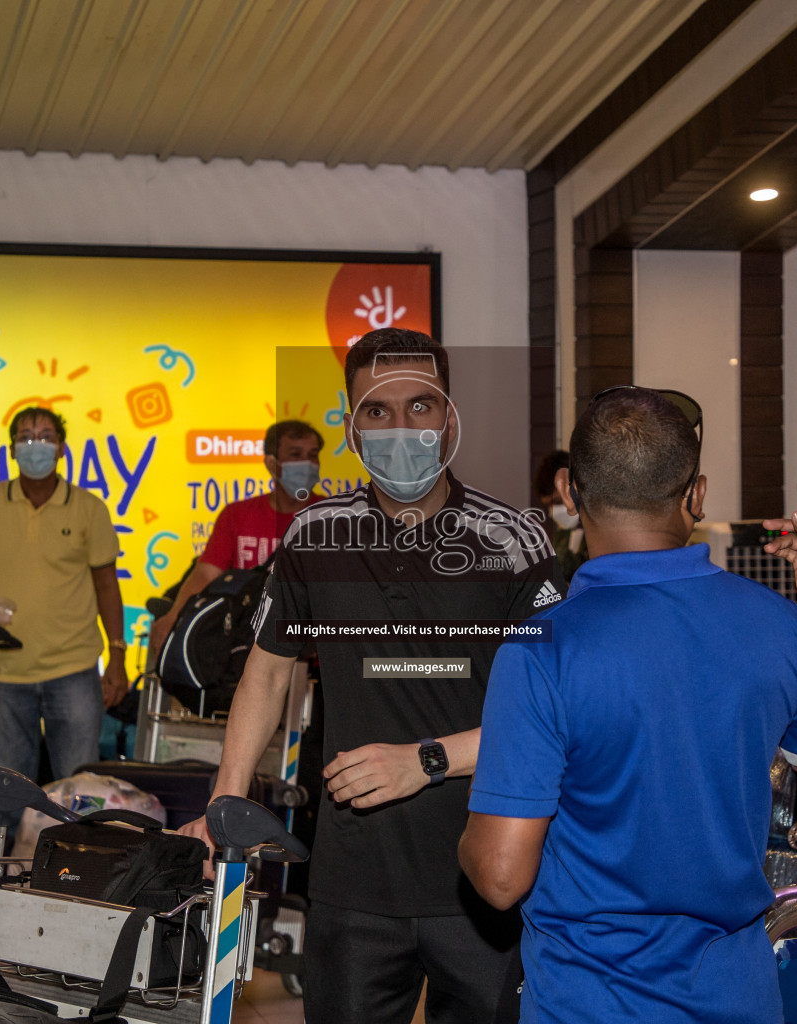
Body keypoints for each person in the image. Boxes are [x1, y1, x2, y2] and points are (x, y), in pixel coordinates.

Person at [458, 387, 797, 1024]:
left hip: (588, 1004)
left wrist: (465, 825)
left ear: (570, 492)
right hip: (737, 998)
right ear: (697, 494)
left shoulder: (542, 646)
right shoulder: (776, 625)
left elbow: (498, 876)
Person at [180, 328, 561, 1024]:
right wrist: (224, 803)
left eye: (420, 406)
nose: (401, 428)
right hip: (352, 880)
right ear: (351, 423)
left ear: (448, 415)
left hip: (488, 872)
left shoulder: (513, 538)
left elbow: (556, 707)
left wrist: (428, 761)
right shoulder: (313, 537)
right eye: (377, 412)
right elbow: (266, 676)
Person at [0, 407, 130, 782]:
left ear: (62, 449)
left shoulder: (89, 509)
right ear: (12, 450)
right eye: (26, 437)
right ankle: (8, 846)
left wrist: (117, 654)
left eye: (46, 437)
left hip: (74, 670)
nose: (36, 445)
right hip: (5, 671)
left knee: (77, 791)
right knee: (8, 790)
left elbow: (106, 585)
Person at [147, 419, 326, 652]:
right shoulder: (237, 515)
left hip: (307, 646)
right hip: (243, 644)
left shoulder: (333, 517)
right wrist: (173, 618)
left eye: (313, 455)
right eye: (295, 454)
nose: (308, 463)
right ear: (272, 463)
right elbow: (206, 573)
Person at [532, 450, 586, 584]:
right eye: (549, 506)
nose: (553, 512)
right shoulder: (560, 539)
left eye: (557, 502)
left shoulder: (606, 530)